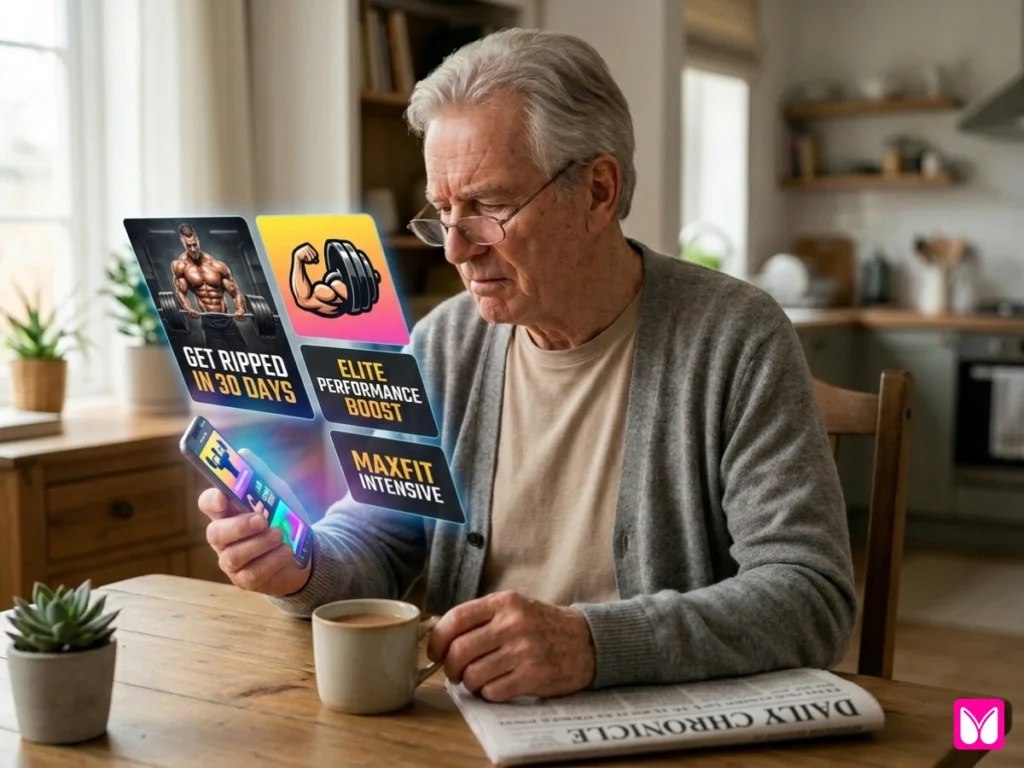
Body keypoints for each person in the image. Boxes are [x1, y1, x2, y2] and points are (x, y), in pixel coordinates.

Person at [198, 28, 856, 703]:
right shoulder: (442, 344)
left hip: (662, 730)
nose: (455, 249)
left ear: (599, 191)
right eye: (443, 210)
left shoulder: (736, 337)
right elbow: (379, 538)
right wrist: (302, 565)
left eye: (487, 206)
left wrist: (592, 646)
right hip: (474, 725)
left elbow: (810, 597)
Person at [171, 223, 250, 351]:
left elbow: (235, 293)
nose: (193, 249)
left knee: (243, 355)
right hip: (209, 322)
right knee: (217, 360)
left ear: (198, 240)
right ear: (182, 242)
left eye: (194, 244)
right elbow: (180, 291)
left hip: (227, 319)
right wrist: (188, 308)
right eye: (188, 246)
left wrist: (240, 309)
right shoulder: (180, 266)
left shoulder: (216, 265)